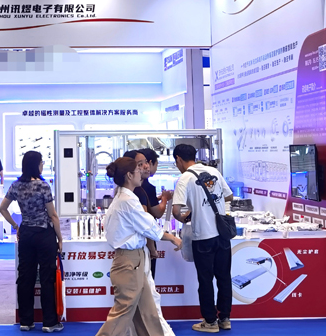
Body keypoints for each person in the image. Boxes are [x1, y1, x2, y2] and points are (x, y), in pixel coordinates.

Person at [95, 157, 182, 336]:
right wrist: (173, 238)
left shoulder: (125, 198)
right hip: (129, 261)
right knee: (122, 313)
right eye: (138, 169)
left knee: (148, 313)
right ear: (129, 175)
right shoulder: (127, 200)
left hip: (134, 260)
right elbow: (149, 228)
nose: (141, 172)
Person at [0, 150, 63, 333]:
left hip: (26, 233)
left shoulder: (16, 185)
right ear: (37, 165)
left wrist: (15, 226)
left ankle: (26, 321)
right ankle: (49, 322)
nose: (43, 165)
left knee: (25, 277)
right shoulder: (43, 186)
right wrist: (60, 238)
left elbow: (2, 208)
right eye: (41, 162)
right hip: (44, 234)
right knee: (47, 277)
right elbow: (53, 215)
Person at [172, 144, 234, 333]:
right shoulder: (214, 171)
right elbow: (229, 196)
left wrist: (186, 216)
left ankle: (210, 322)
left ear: (178, 159)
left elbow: (176, 210)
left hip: (203, 237)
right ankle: (225, 319)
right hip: (222, 234)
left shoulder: (185, 178)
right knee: (224, 277)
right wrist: (207, 205)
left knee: (205, 280)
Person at [122, 151, 174, 336]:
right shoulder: (134, 194)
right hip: (137, 251)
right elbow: (147, 223)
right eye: (140, 164)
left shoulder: (135, 192)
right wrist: (153, 246)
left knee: (144, 295)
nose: (145, 167)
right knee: (143, 295)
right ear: (130, 171)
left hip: (137, 251)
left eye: (145, 163)